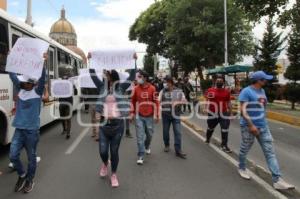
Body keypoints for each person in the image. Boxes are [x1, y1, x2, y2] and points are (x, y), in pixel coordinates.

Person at [238, 71, 295, 190]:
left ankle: (277, 180)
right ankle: (242, 167)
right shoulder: (246, 91)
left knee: (270, 152)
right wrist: (251, 125)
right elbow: (243, 110)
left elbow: (262, 107)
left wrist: (263, 121)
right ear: (259, 80)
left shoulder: (262, 91)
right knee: (245, 148)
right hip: (249, 127)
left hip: (263, 126)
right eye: (264, 79)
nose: (266, 81)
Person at [88, 53, 135, 188]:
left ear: (112, 77)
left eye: (107, 75)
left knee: (114, 152)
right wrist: (90, 60)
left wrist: (134, 61)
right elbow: (92, 75)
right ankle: (105, 163)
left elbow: (132, 76)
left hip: (117, 125)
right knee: (103, 151)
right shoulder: (102, 87)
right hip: (104, 124)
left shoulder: (121, 88)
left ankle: (113, 174)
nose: (105, 77)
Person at [9, 53, 47, 193]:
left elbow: (43, 78)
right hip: (19, 129)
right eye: (22, 82)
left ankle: (30, 180)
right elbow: (12, 75)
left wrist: (43, 62)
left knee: (31, 158)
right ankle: (22, 175)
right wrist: (11, 59)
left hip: (32, 131)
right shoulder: (20, 90)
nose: (22, 83)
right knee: (13, 156)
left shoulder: (38, 92)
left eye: (25, 82)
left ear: (31, 82)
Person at [131, 70, 159, 165]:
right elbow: (132, 101)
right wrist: (132, 113)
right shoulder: (135, 88)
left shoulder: (153, 89)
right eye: (138, 77)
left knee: (149, 134)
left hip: (150, 116)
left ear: (145, 78)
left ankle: (147, 146)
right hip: (139, 115)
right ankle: (141, 155)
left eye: (140, 77)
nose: (138, 78)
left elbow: (156, 102)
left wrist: (157, 114)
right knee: (140, 136)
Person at [159, 75, 187, 159]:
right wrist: (160, 107)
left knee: (178, 132)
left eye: (166, 82)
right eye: (164, 82)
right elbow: (158, 100)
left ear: (170, 82)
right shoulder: (162, 91)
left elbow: (184, 100)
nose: (165, 83)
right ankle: (167, 145)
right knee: (165, 131)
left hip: (176, 115)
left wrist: (178, 103)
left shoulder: (178, 91)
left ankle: (178, 150)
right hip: (166, 115)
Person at [204, 75, 232, 153]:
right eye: (218, 81)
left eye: (221, 81)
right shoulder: (210, 90)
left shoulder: (227, 91)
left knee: (225, 129)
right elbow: (207, 99)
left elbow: (228, 102)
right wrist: (205, 108)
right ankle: (208, 138)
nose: (219, 82)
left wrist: (231, 112)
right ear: (215, 82)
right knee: (210, 127)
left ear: (223, 82)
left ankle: (224, 145)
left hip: (223, 112)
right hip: (212, 112)